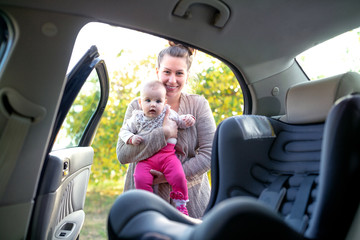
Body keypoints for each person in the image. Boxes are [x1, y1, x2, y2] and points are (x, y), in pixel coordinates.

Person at [116, 41, 216, 218]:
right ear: (157, 72)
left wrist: (171, 174)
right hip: (142, 200)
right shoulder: (137, 107)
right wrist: (163, 134)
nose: (172, 80)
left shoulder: (199, 105)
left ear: (187, 76)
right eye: (167, 72)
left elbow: (209, 155)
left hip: (190, 204)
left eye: (179, 73)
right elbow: (123, 154)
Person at [119, 80, 196, 215]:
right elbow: (123, 131)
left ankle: (181, 204)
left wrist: (187, 119)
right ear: (140, 103)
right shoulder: (136, 118)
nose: (153, 104)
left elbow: (180, 121)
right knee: (139, 177)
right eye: (148, 100)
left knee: (178, 176)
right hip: (146, 159)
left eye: (158, 101)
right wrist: (130, 138)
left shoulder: (168, 113)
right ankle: (148, 205)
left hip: (168, 156)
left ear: (165, 103)